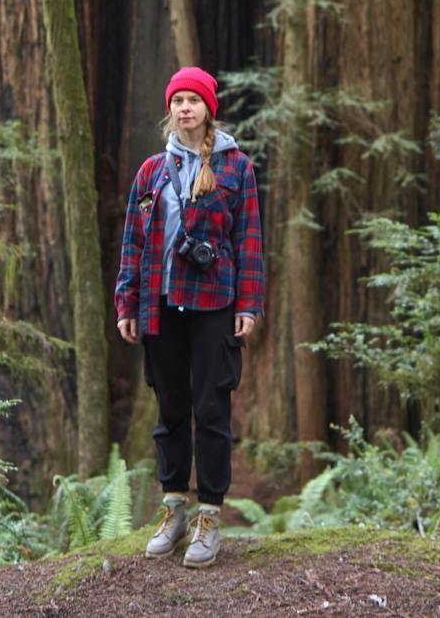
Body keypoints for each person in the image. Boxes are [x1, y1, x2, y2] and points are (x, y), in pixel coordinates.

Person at [113, 66, 262, 568]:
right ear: (169, 110)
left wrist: (248, 303)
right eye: (177, 100)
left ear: (208, 109)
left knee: (212, 410)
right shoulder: (151, 171)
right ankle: (174, 509)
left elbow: (249, 240)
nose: (185, 108)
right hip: (160, 304)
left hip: (214, 303)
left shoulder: (236, 166)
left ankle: (210, 516)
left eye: (193, 100)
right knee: (170, 410)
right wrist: (127, 303)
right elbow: (133, 242)